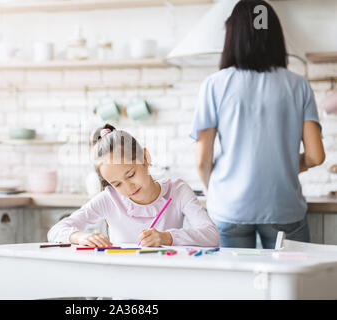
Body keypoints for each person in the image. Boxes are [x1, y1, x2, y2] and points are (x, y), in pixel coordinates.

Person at [190, 0, 325, 249]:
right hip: (283, 207)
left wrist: (216, 191)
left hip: (230, 207)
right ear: (275, 36)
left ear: (233, 36)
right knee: (291, 286)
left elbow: (201, 161)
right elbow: (316, 156)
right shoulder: (299, 85)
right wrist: (282, 167)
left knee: (235, 287)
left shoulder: (214, 84)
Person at [48, 124, 219, 247]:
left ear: (145, 158)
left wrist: (167, 237)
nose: (128, 187)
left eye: (130, 174)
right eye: (116, 184)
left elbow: (211, 236)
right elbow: (55, 231)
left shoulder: (178, 191)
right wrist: (80, 237)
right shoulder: (109, 199)